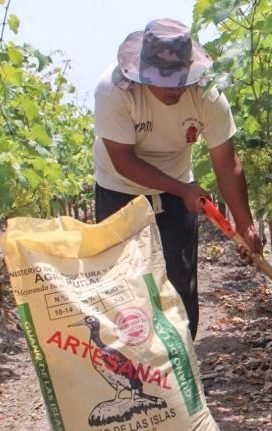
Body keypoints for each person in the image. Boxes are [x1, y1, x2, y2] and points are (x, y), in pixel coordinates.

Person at [93, 18, 262, 339]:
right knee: (123, 283)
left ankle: (180, 364)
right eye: (162, 80)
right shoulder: (114, 90)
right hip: (119, 189)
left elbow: (227, 164)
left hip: (177, 189)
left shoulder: (208, 98)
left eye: (179, 79)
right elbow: (123, 160)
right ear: (141, 72)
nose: (173, 88)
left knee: (179, 281)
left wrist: (246, 224)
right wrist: (182, 188)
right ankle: (132, 370)